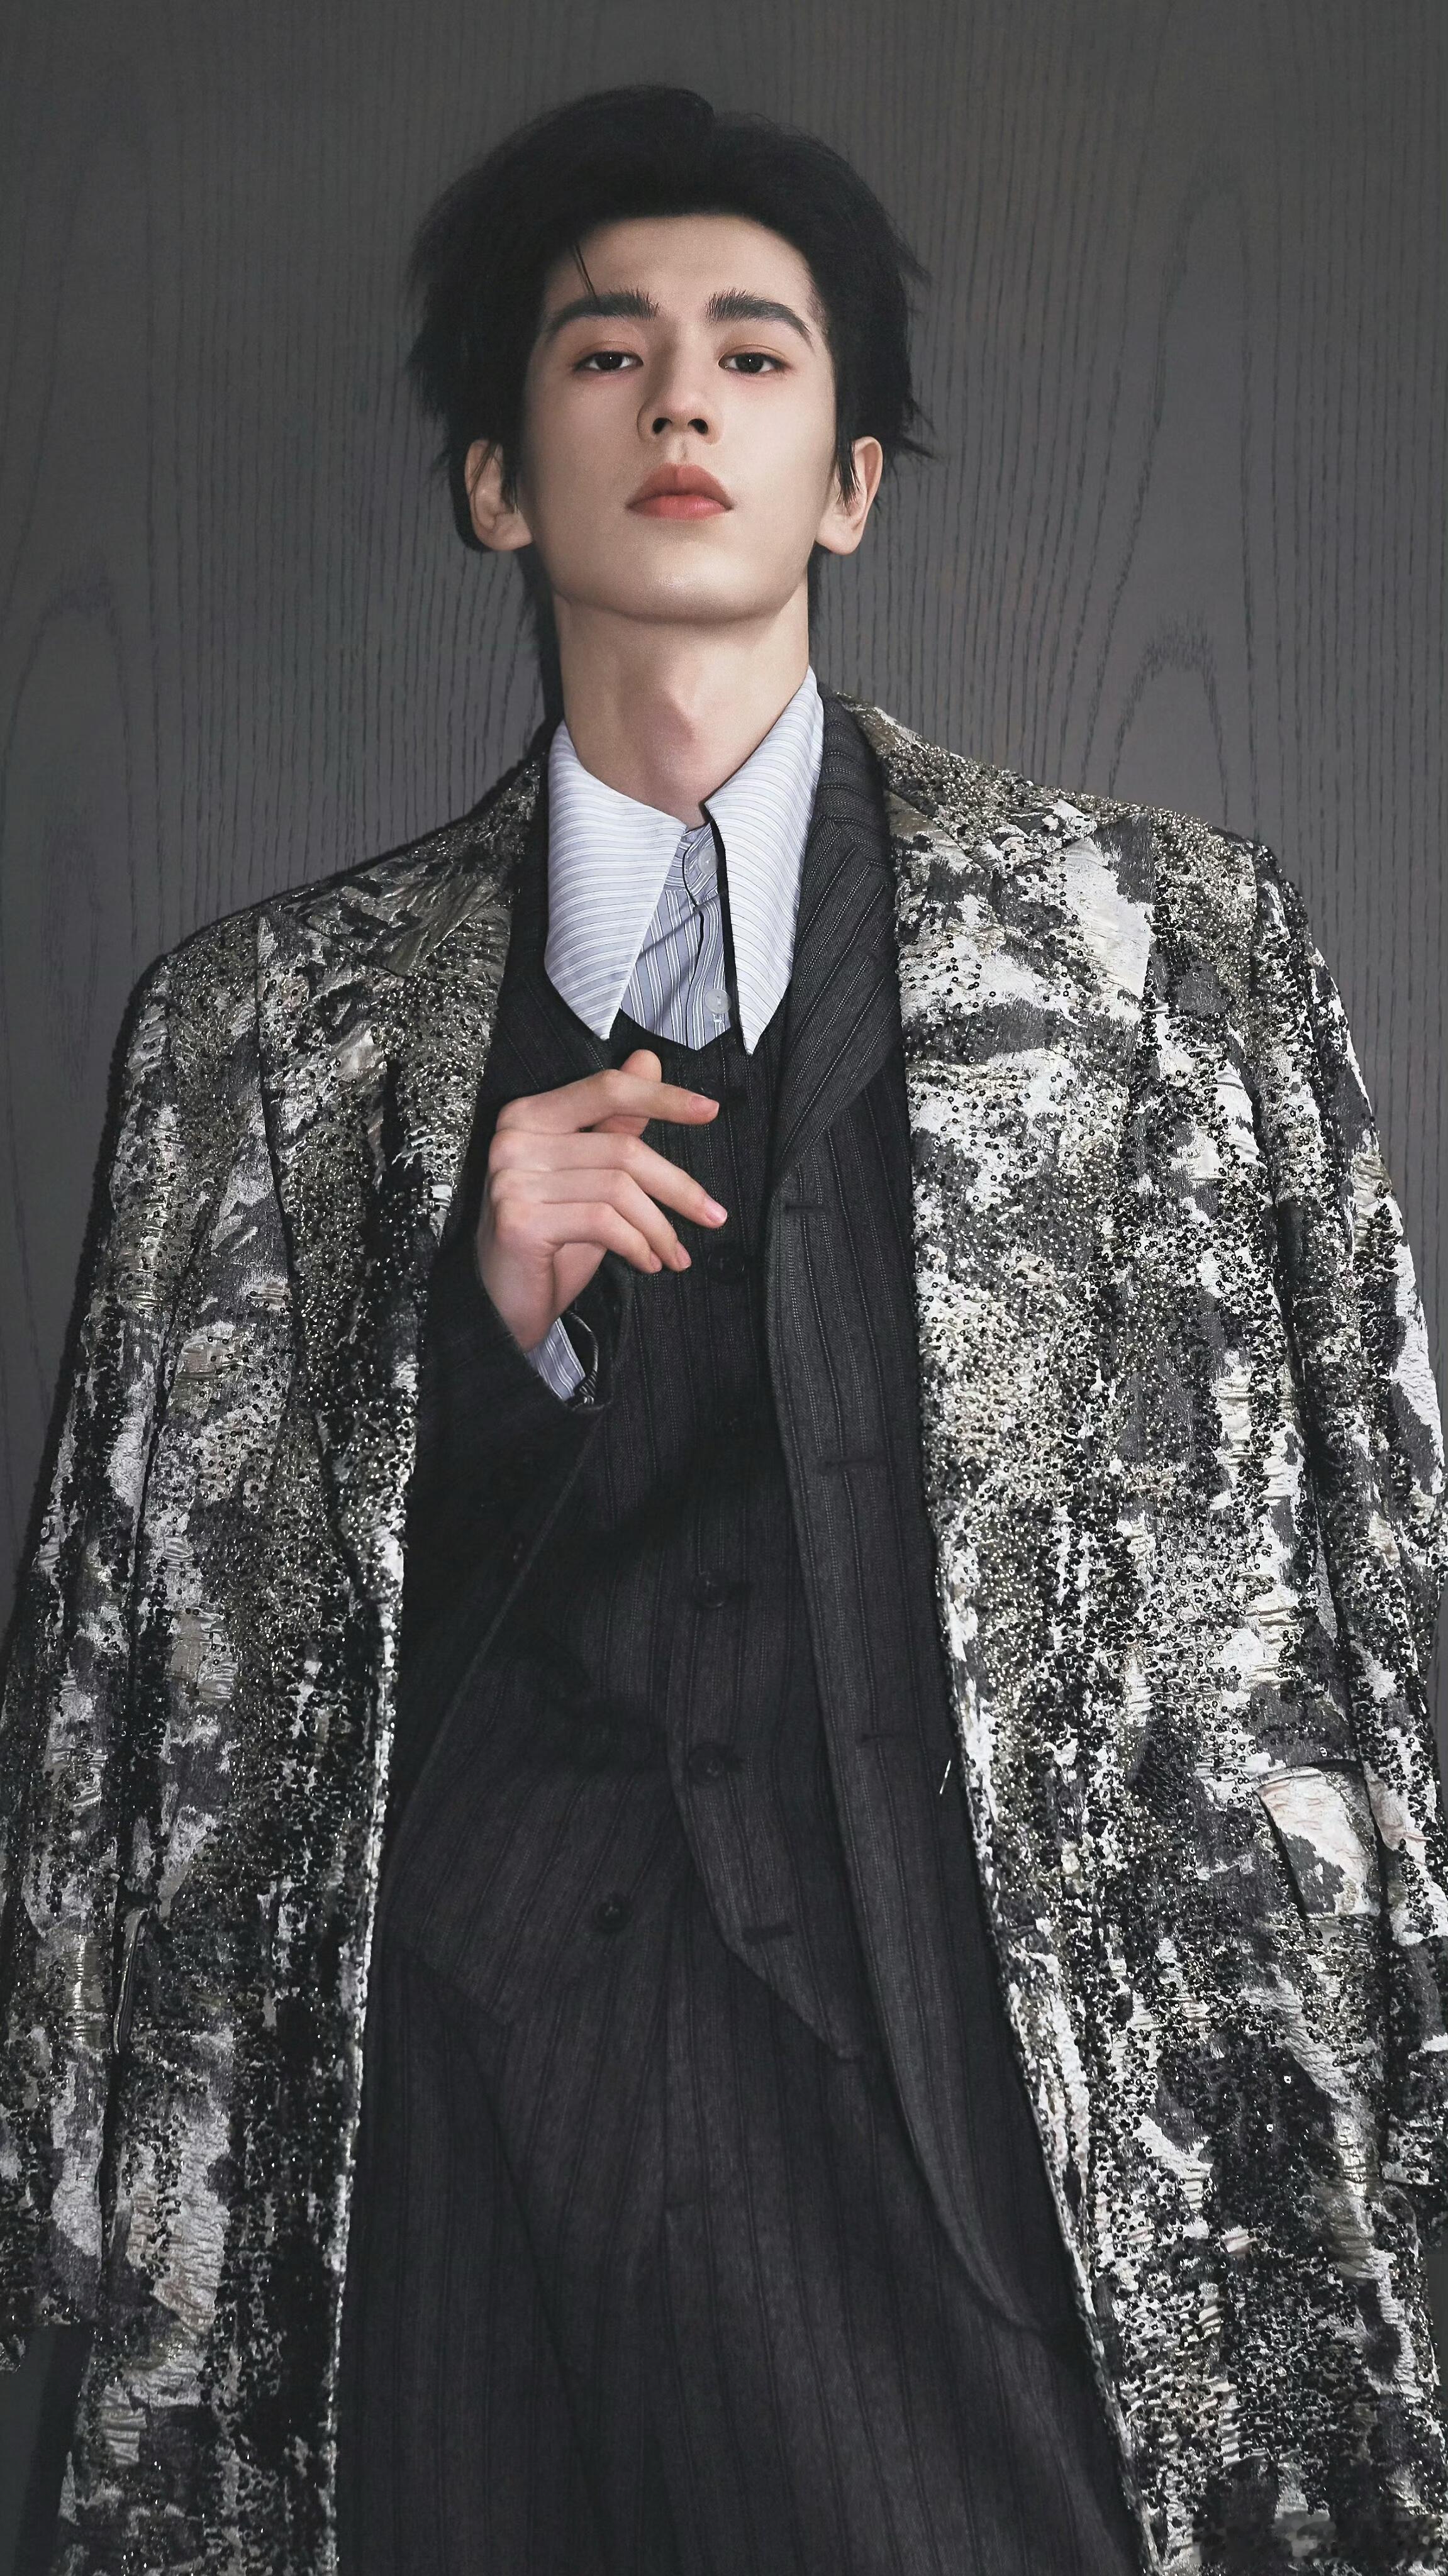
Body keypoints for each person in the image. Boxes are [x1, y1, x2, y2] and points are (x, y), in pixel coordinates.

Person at [1, 80, 1445, 2576]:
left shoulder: (1173, 965)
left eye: (755, 355)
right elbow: (137, 1677)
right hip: (444, 2164)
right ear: (496, 483)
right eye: (605, 353)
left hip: (970, 2134)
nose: (681, 396)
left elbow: (1370, 1565)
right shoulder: (256, 1041)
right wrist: (471, 1333)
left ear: (849, 481)